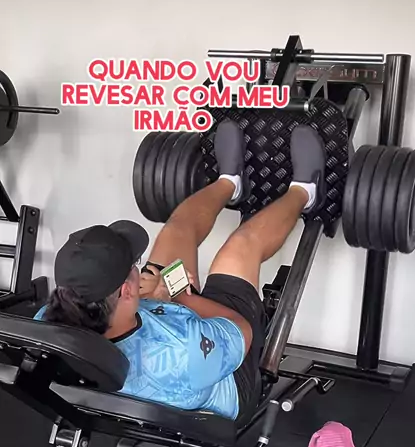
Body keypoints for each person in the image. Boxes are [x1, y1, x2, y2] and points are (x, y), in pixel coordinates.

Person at [36, 121, 326, 422]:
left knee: (177, 230)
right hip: (222, 376)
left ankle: (230, 182)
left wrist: (152, 298)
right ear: (126, 290)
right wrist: (180, 298)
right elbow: (241, 329)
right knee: (240, 247)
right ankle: (306, 191)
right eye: (134, 266)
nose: (138, 267)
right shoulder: (182, 351)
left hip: (162, 337)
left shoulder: (52, 323)